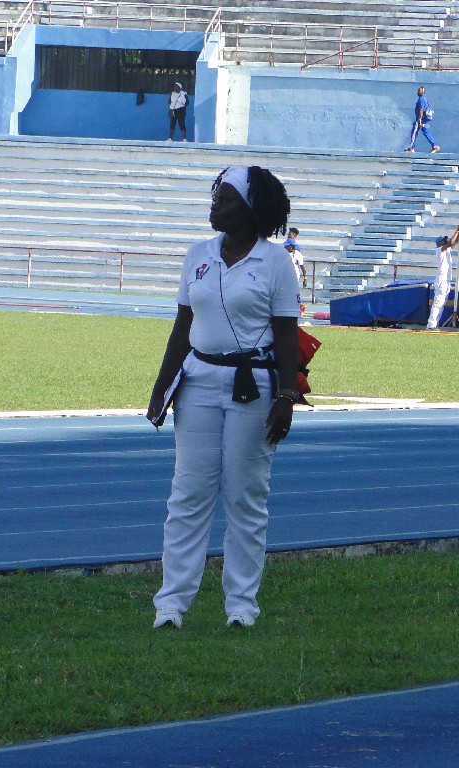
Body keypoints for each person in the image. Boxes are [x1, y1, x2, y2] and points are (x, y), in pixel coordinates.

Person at [146, 165, 301, 630]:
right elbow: (182, 328)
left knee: (245, 495)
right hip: (197, 382)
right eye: (217, 196)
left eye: (227, 199)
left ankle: (241, 606)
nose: (216, 205)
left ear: (251, 210)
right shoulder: (198, 254)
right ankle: (171, 605)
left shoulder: (275, 263)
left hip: (254, 386)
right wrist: (161, 388)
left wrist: (287, 396)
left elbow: (287, 335)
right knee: (188, 494)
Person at [426, 221, 459, 330]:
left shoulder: (447, 250)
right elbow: (451, 242)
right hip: (441, 280)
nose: (445, 241)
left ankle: (434, 324)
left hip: (446, 280)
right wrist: (457, 230)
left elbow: (455, 242)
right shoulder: (440, 250)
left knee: (441, 304)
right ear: (440, 243)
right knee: (438, 303)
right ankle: (431, 325)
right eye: (443, 240)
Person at [404, 86, 439, 154]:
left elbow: (421, 109)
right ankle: (434, 146)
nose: (417, 92)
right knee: (425, 131)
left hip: (420, 119)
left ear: (422, 92)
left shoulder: (421, 99)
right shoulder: (424, 99)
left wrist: (419, 119)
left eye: (419, 91)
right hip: (424, 119)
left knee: (414, 132)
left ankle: (411, 148)